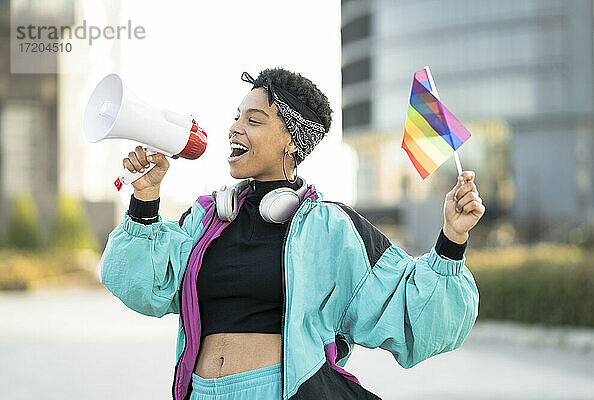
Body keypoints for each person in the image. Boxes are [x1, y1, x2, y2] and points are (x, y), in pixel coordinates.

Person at [99, 67, 483, 400]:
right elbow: (142, 286)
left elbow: (415, 314)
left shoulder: (332, 229)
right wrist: (145, 199)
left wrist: (452, 237)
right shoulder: (206, 220)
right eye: (236, 117)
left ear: (291, 140)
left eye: (254, 120)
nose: (234, 127)